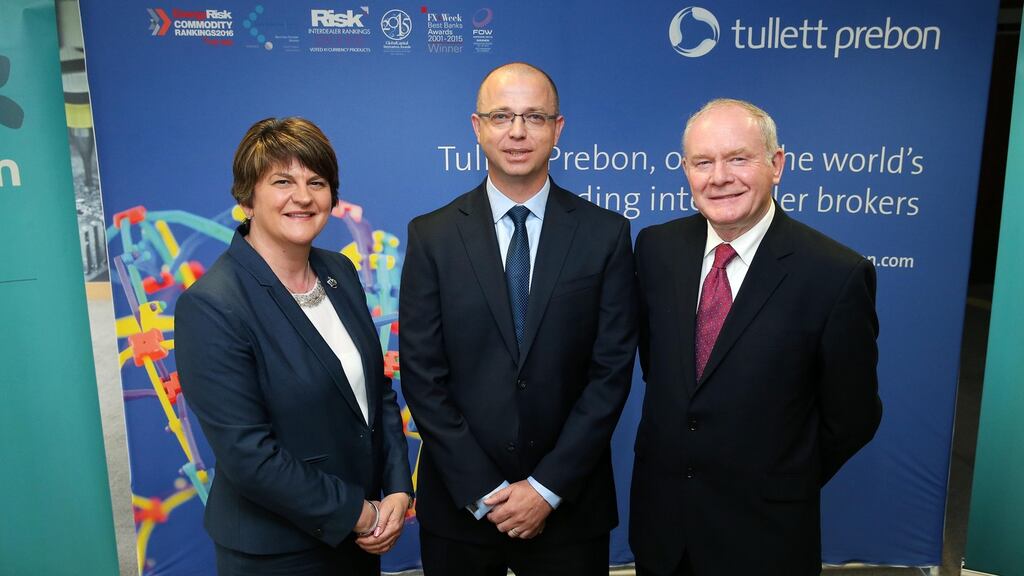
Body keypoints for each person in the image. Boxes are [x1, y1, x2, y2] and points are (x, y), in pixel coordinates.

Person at [399, 62, 638, 576]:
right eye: (501, 116)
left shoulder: (607, 235)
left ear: (558, 128)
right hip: (463, 508)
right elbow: (422, 374)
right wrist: (485, 491)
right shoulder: (432, 236)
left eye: (534, 116)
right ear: (476, 126)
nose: (517, 131)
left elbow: (610, 374)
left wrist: (546, 489)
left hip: (569, 509)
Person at [629, 98, 883, 576]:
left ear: (777, 165)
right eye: (703, 162)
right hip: (663, 529)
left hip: (765, 536)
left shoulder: (834, 274)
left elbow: (853, 417)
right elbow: (661, 369)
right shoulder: (657, 248)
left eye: (738, 158)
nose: (719, 176)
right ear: (686, 170)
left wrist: (779, 477)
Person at [175, 117, 413, 576]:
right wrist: (360, 514)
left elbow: (375, 390)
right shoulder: (212, 305)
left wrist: (398, 489)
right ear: (247, 198)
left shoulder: (340, 273)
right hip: (278, 553)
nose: (302, 197)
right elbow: (249, 456)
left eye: (316, 182)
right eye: (282, 181)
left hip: (357, 538)